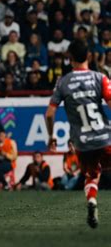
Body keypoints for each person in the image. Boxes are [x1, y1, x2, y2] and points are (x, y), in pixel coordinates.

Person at [46, 40, 111, 228]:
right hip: (104, 137)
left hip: (82, 142)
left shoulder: (63, 82)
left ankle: (92, 201)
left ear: (70, 59)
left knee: (92, 175)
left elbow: (49, 114)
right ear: (89, 56)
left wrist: (51, 137)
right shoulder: (100, 78)